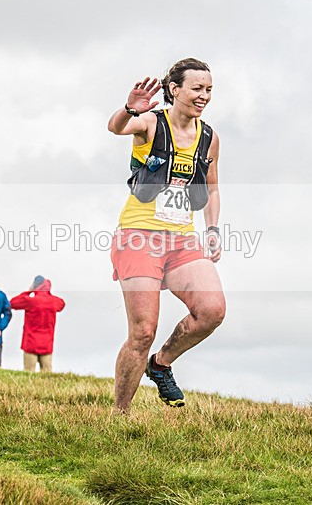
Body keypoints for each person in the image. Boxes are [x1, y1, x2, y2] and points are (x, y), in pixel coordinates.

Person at [107, 58, 226, 413]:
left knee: (212, 310)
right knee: (143, 330)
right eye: (197, 88)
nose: (204, 96)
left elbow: (213, 188)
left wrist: (213, 229)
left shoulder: (209, 138)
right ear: (175, 90)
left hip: (182, 240)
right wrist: (129, 108)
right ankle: (120, 414)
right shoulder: (150, 123)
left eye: (208, 89)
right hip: (139, 236)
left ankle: (160, 363)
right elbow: (116, 128)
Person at [10, 276, 65, 372]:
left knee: (29, 373)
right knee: (47, 375)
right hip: (47, 343)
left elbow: (12, 303)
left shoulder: (30, 300)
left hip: (30, 342)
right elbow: (62, 304)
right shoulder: (54, 301)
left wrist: (29, 292)